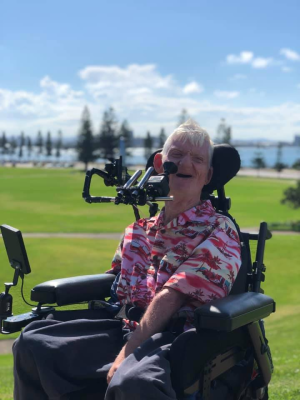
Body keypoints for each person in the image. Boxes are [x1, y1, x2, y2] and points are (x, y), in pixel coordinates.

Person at [13, 120, 241, 400]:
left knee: (132, 382)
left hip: (180, 338)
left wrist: (128, 352)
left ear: (208, 175)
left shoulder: (219, 228)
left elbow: (173, 296)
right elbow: (114, 281)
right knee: (33, 342)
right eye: (177, 155)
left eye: (197, 159)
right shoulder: (139, 229)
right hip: (124, 325)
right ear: (159, 164)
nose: (186, 164)